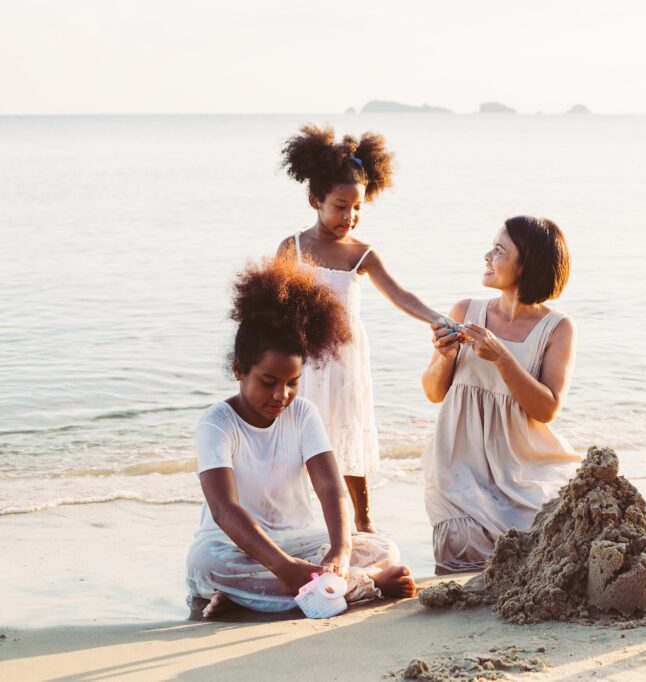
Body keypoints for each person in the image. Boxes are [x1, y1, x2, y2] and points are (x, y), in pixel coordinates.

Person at [186, 256, 416, 617]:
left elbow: (329, 488)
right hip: (234, 546)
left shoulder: (303, 413)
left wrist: (339, 551)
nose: (281, 395)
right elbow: (224, 511)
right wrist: (282, 566)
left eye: (292, 383)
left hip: (300, 540)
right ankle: (364, 585)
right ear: (238, 370)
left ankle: (250, 599)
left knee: (382, 547)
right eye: (268, 382)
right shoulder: (217, 423)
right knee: (205, 564)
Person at [276, 125, 447, 533]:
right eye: (340, 206)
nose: (349, 217)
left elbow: (400, 294)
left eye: (357, 208)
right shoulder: (293, 248)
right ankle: (290, 516)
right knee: (296, 435)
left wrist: (439, 320)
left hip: (345, 361)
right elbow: (272, 305)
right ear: (315, 200)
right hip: (303, 360)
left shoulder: (362, 254)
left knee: (348, 434)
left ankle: (364, 520)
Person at [421, 216, 581, 572]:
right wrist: (446, 356)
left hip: (524, 467)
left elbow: (547, 409)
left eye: (499, 250)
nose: (487, 256)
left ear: (527, 266)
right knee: (461, 548)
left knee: (560, 531)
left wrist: (503, 358)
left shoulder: (557, 328)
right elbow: (433, 393)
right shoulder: (466, 311)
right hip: (458, 468)